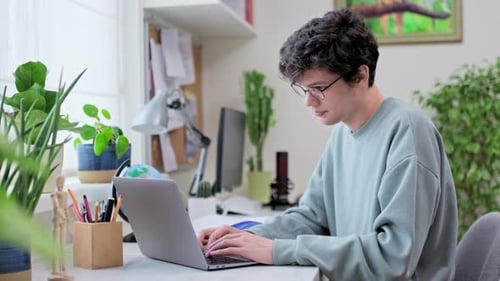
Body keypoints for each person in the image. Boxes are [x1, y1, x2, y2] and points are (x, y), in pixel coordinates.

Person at [199, 8, 457, 280]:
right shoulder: (342, 132)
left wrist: (277, 250)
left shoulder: (408, 132)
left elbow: (392, 258)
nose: (308, 102)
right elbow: (311, 217)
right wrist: (243, 237)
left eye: (318, 89)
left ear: (360, 75)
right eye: (304, 89)